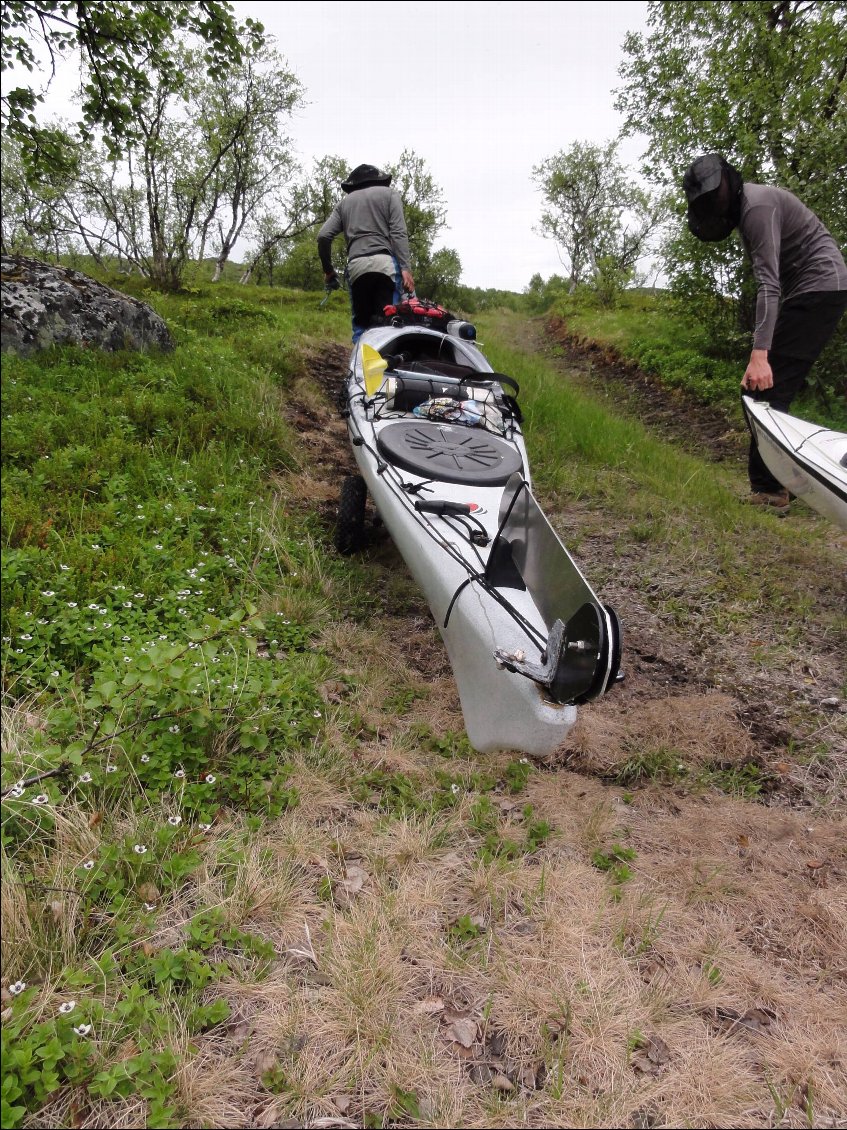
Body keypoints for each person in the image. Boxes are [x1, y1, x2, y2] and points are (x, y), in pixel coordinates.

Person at [682, 153, 847, 513]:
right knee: (762, 391)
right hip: (814, 291)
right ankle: (781, 481)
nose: (715, 203)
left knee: (764, 390)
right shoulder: (749, 211)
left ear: (727, 185)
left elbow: (768, 287)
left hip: (820, 289)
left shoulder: (756, 208)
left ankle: (772, 490)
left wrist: (760, 354)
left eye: (716, 196)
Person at [317, 164, 416, 342]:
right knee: (390, 325)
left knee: (361, 327)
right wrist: (405, 268)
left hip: (357, 268)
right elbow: (398, 233)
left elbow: (323, 236)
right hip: (385, 266)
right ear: (379, 181)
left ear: (353, 184)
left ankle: (359, 366)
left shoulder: (344, 204)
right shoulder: (390, 195)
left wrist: (329, 271)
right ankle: (388, 365)